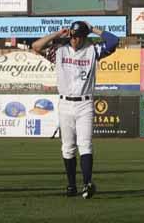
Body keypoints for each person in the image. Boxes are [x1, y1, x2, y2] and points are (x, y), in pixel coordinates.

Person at [32, 21, 118, 198]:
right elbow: (36, 46)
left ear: (85, 36)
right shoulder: (60, 50)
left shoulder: (92, 50)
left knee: (85, 144)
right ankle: (71, 185)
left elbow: (113, 41)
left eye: (78, 36)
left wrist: (93, 28)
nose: (74, 40)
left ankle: (87, 184)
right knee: (67, 147)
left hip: (85, 103)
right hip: (65, 103)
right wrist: (57, 33)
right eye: (72, 36)